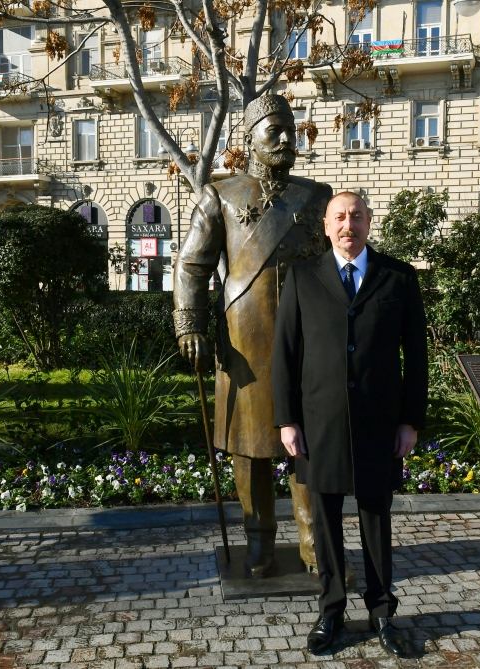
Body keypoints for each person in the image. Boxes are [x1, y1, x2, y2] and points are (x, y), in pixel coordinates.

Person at [173, 94, 332, 578]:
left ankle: (311, 539)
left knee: (305, 442)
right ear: (249, 139)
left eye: (290, 130)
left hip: (309, 339)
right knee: (250, 443)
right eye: (273, 131)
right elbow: (191, 265)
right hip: (246, 337)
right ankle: (259, 541)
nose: (285, 139)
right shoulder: (221, 195)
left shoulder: (317, 196)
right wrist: (190, 324)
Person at [271, 191, 428, 656]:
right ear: (325, 225)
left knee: (376, 520)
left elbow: (416, 358)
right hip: (319, 424)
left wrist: (410, 422)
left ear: (369, 222)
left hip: (380, 424)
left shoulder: (399, 278)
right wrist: (286, 420)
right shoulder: (301, 277)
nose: (348, 225)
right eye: (339, 217)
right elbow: (284, 354)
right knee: (326, 523)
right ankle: (331, 610)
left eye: (356, 217)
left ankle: (382, 612)